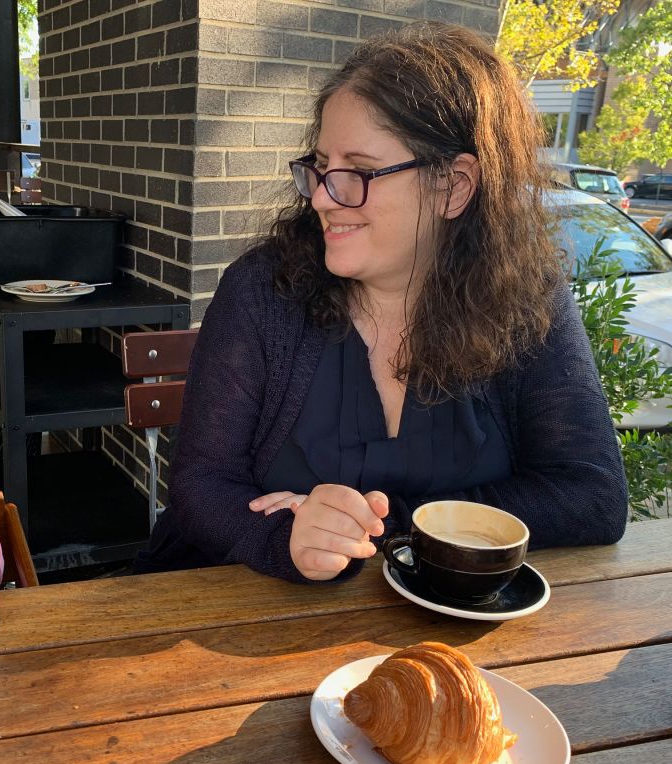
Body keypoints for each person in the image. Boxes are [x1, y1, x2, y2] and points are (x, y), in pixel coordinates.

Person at [138, 23, 628, 584]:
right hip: (234, 623)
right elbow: (200, 487)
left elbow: (593, 496)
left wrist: (383, 525)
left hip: (442, 628)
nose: (324, 197)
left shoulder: (523, 300)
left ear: (454, 186)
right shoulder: (262, 291)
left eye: (360, 172)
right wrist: (284, 539)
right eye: (321, 166)